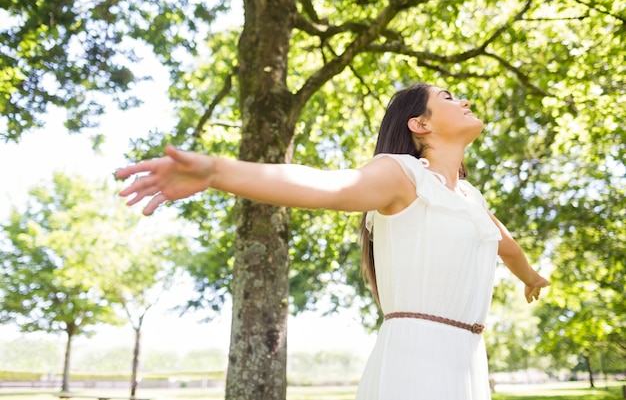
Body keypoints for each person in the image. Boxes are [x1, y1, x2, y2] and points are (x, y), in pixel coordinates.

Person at [116, 82, 550, 399]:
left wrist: (531, 277)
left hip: (468, 357)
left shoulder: (469, 199)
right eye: (449, 98)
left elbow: (505, 245)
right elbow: (327, 186)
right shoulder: (400, 174)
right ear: (419, 124)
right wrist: (216, 172)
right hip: (418, 361)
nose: (465, 100)